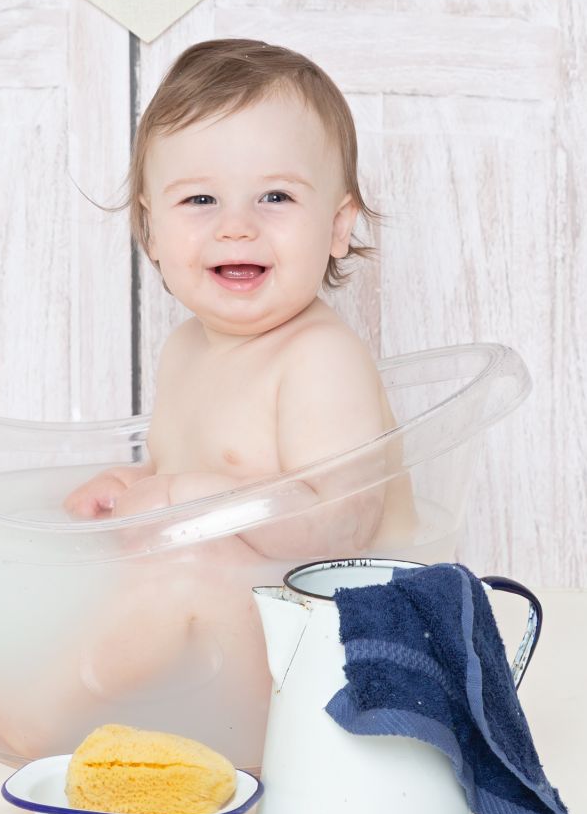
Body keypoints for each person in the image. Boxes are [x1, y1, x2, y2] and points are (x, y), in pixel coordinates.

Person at [65, 38, 414, 555]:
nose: (235, 226)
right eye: (200, 198)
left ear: (338, 225)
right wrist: (131, 484)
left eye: (275, 196)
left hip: (341, 602)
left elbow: (342, 527)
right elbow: (185, 468)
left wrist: (185, 498)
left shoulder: (320, 359)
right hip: (234, 594)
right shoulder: (184, 350)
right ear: (152, 229)